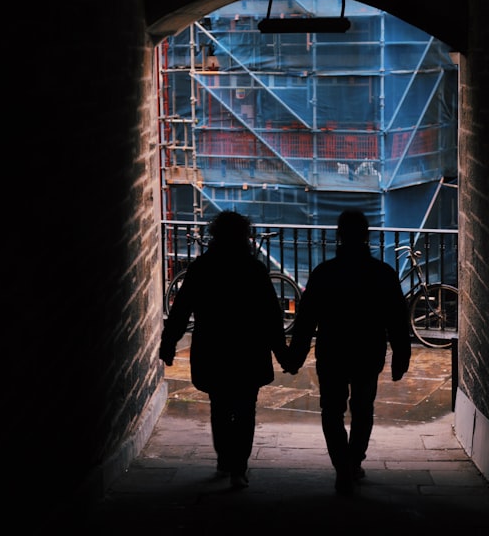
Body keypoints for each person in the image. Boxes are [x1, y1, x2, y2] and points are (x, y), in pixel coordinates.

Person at [159, 211, 290, 489]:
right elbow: (270, 316)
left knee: (219, 406)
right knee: (245, 409)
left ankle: (224, 459)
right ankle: (238, 468)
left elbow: (181, 310)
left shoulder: (201, 268)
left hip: (213, 346)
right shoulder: (254, 270)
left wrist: (169, 343)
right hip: (248, 349)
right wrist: (282, 354)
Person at [286, 209, 412, 495]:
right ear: (366, 235)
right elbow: (396, 319)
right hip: (369, 351)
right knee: (363, 408)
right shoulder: (382, 273)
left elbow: (305, 321)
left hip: (333, 352)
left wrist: (295, 357)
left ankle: (342, 465)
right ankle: (354, 461)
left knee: (331, 410)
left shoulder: (325, 274)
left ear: (339, 235)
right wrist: (401, 355)